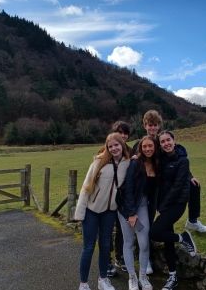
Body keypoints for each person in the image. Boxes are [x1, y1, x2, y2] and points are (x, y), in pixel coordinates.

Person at [132, 110, 206, 233]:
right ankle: (142, 240)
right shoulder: (139, 144)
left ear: (159, 126)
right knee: (145, 213)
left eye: (155, 125)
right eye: (150, 125)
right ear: (145, 125)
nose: (152, 128)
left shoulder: (163, 141)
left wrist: (189, 176)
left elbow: (176, 158)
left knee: (194, 185)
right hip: (146, 183)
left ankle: (193, 221)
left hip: (162, 180)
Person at [74, 133, 131, 290]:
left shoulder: (127, 163)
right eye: (110, 146)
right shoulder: (99, 162)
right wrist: (80, 213)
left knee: (106, 246)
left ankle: (103, 279)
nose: (114, 148)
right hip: (91, 211)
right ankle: (83, 284)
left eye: (116, 145)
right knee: (89, 247)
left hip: (109, 211)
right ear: (107, 148)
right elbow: (86, 187)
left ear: (122, 145)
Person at [150, 130, 197, 290]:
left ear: (174, 141)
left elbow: (177, 186)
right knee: (167, 240)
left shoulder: (183, 161)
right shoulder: (161, 159)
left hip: (176, 204)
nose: (166, 144)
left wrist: (162, 207)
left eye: (168, 140)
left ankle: (183, 237)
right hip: (163, 203)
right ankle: (173, 276)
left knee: (154, 232)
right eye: (162, 142)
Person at [117, 135, 158, 290]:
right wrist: (131, 213)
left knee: (144, 243)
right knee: (128, 242)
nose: (148, 149)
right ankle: (132, 278)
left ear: (155, 147)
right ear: (140, 148)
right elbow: (127, 189)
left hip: (142, 206)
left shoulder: (156, 163)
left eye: (150, 146)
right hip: (126, 207)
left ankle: (143, 276)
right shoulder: (135, 163)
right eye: (144, 146)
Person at [107, 121, 131, 276]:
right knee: (107, 230)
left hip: (122, 199)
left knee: (122, 230)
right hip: (107, 199)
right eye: (119, 132)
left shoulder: (130, 152)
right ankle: (107, 261)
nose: (122, 136)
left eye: (125, 133)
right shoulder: (105, 151)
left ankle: (120, 258)